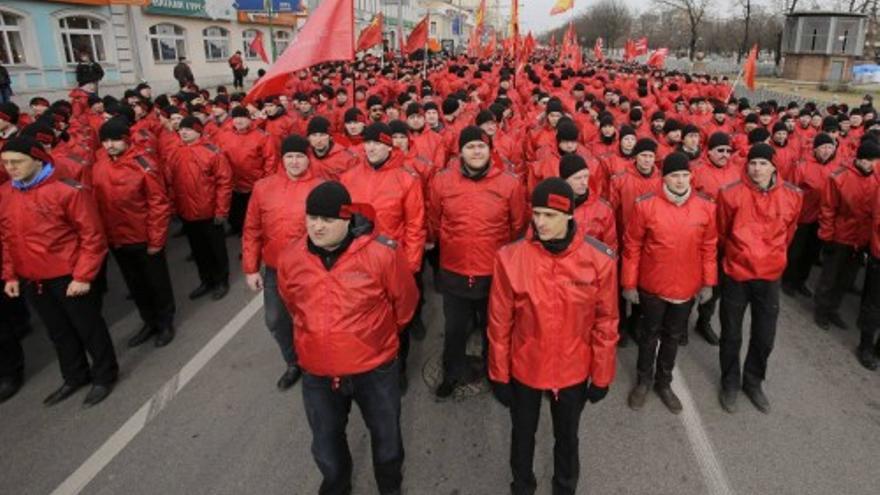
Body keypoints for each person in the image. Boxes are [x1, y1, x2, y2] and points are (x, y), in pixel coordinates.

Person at [277, 181, 418, 495]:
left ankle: (390, 487)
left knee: (387, 441)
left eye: (326, 220)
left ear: (346, 219)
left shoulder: (382, 253)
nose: (317, 226)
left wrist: (378, 339)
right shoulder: (291, 258)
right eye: (312, 218)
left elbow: (405, 303)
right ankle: (337, 485)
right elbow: (292, 305)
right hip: (318, 372)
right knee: (326, 444)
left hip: (375, 369)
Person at [488, 178, 618, 495]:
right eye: (537, 214)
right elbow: (499, 320)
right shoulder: (510, 258)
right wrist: (499, 374)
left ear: (570, 215)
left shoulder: (599, 260)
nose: (540, 223)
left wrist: (601, 375)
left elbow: (606, 321)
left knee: (567, 436)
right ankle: (522, 485)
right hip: (526, 367)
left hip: (573, 370)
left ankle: (565, 486)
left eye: (550, 215)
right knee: (522, 435)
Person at [0, 136, 118, 407]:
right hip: (33, 277)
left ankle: (104, 375)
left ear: (38, 159)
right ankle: (75, 376)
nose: (11, 168)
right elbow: (7, 238)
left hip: (68, 274)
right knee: (58, 331)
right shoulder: (6, 194)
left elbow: (92, 237)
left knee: (89, 327)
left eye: (17, 162)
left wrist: (83, 276)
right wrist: (11, 275)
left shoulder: (68, 190)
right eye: (6, 163)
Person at [428, 126, 528, 398]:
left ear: (490, 150)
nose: (476, 151)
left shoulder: (509, 183)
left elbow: (518, 225)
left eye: (481, 147)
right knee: (454, 329)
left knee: (494, 329)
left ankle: (496, 375)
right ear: (460, 151)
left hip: (493, 272)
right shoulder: (442, 181)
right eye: (470, 147)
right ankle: (452, 374)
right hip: (455, 270)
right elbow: (435, 222)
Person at [622, 152, 718, 414]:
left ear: (691, 176)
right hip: (653, 285)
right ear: (664, 178)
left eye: (684, 175)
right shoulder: (646, 205)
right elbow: (632, 247)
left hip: (685, 287)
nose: (679, 180)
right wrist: (629, 284)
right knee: (649, 334)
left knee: (673, 337)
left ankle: (664, 383)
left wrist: (709, 283)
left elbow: (709, 247)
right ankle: (643, 381)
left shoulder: (706, 207)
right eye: (674, 175)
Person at [716, 143, 803, 414]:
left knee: (764, 336)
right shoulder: (730, 194)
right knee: (731, 333)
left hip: (769, 276)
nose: (757, 168)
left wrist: (773, 257)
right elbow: (720, 233)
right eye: (753, 163)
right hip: (736, 273)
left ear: (774, 166)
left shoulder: (792, 195)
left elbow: (790, 232)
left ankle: (753, 381)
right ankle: (730, 382)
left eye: (763, 163)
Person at [242, 135, 323, 390]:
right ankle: (293, 362)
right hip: (275, 269)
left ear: (307, 158)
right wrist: (251, 267)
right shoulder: (264, 187)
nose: (295, 161)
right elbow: (252, 228)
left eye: (300, 156)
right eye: (290, 156)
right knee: (276, 319)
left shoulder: (320, 187)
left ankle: (319, 362)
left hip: (311, 269)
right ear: (282, 158)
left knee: (314, 320)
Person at [91, 119, 176, 348]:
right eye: (105, 141)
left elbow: (158, 203)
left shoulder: (143, 164)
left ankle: (165, 322)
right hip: (117, 239)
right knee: (135, 284)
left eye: (115, 140)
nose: (109, 145)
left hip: (144, 237)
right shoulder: (99, 166)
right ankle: (149, 321)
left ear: (126, 139)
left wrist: (156, 239)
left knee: (157, 283)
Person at [814, 141, 880, 330]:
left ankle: (833, 308)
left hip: (861, 238)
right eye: (872, 161)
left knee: (846, 278)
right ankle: (822, 310)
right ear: (861, 159)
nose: (875, 165)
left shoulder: (875, 178)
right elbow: (827, 209)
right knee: (830, 276)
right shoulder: (839, 177)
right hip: (840, 235)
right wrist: (827, 236)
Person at [166, 116, 233, 301]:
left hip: (209, 212)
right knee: (198, 251)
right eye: (181, 129)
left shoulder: (213, 152)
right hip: (186, 212)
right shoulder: (175, 152)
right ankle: (206, 280)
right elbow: (171, 183)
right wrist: (173, 207)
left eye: (188, 129)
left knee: (216, 249)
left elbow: (224, 183)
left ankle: (221, 281)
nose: (184, 132)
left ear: (198, 131)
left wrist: (221, 211)